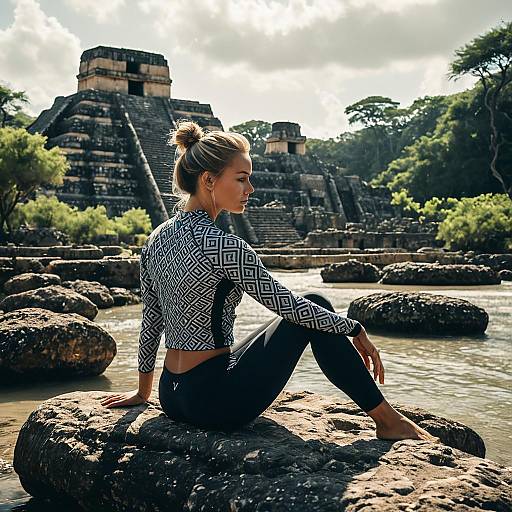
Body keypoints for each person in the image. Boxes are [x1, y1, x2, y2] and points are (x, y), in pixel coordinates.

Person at [100, 120, 437, 441]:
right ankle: (387, 421)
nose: (250, 189)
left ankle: (387, 418)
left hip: (172, 395)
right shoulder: (224, 246)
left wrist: (143, 392)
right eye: (242, 178)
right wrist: (353, 328)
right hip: (214, 402)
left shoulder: (157, 238)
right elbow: (289, 307)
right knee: (315, 307)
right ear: (209, 180)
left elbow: (151, 321)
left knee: (308, 313)